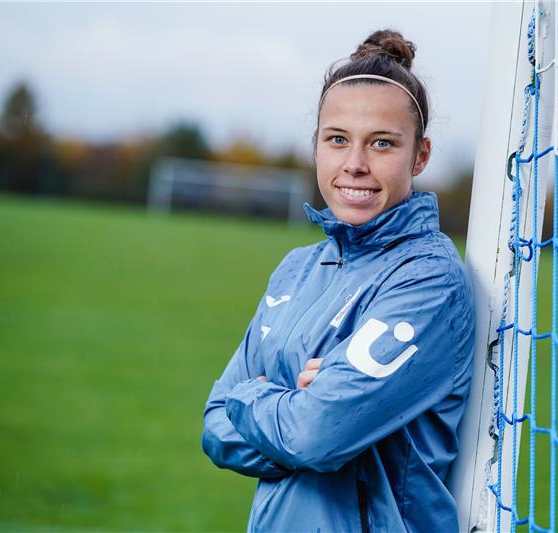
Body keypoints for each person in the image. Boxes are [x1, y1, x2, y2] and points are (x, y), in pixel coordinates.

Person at [201, 29, 475, 533]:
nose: (355, 163)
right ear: (316, 147)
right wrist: (293, 405)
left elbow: (314, 433)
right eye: (338, 139)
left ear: (420, 155)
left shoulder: (429, 280)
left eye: (382, 143)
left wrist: (255, 398)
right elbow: (215, 427)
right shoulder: (297, 268)